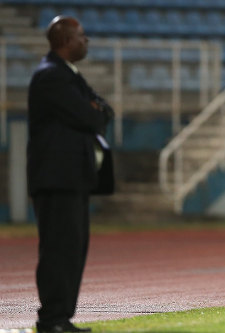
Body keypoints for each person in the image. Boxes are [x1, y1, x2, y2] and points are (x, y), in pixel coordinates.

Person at [27, 16, 114, 332]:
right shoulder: (51, 76)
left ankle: (61, 318)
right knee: (59, 250)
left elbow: (105, 110)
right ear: (65, 40)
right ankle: (51, 320)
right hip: (56, 179)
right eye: (81, 36)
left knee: (73, 249)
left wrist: (95, 110)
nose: (86, 40)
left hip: (72, 178)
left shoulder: (68, 75)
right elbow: (91, 117)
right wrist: (94, 111)